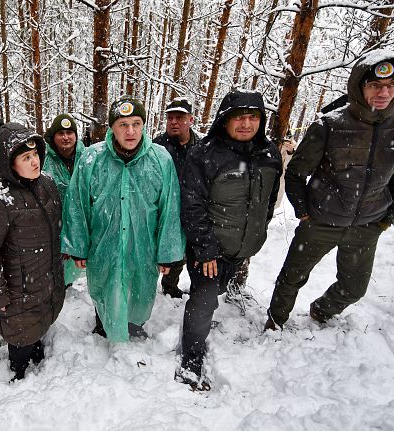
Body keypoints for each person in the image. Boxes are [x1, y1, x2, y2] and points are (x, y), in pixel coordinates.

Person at [265, 50, 394, 330]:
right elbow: (296, 173)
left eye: (391, 85)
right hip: (321, 220)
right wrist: (304, 212)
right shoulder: (330, 124)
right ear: (360, 86)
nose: (383, 92)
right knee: (292, 277)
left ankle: (321, 311)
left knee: (355, 287)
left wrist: (389, 215)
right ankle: (275, 322)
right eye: (374, 85)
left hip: (367, 224)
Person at [176, 89, 282, 390]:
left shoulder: (270, 154)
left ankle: (200, 327)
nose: (246, 124)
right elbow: (191, 205)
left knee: (217, 290)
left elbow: (268, 201)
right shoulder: (205, 154)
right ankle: (191, 358)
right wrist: (206, 249)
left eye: (253, 117)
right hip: (208, 248)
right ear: (225, 120)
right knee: (204, 299)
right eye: (239, 117)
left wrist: (255, 234)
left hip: (240, 247)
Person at [62, 95, 185, 342]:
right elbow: (76, 205)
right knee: (106, 285)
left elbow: (169, 208)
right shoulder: (92, 159)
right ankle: (103, 324)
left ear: (144, 125)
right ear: (112, 128)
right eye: (123, 124)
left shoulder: (161, 160)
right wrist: (78, 247)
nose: (130, 131)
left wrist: (167, 252)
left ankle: (132, 323)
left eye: (136, 124)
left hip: (143, 244)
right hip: (103, 244)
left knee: (140, 290)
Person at [0, 123, 65, 381]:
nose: (35, 161)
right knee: (21, 334)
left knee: (40, 322)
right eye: (26, 158)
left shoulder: (45, 183)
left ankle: (36, 350)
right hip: (18, 286)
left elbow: (55, 226)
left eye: (35, 154)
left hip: (44, 273)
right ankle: (18, 373)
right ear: (9, 163)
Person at [152, 98, 200, 299]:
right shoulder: (156, 147)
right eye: (170, 118)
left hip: (192, 209)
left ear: (191, 120)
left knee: (186, 252)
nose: (173, 122)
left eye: (179, 118)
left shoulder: (201, 147)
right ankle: (153, 287)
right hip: (163, 209)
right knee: (160, 249)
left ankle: (174, 286)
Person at [42, 114, 87, 287]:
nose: (66, 137)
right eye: (61, 133)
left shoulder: (87, 157)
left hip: (80, 217)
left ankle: (66, 281)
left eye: (70, 132)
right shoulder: (44, 157)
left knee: (75, 257)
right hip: (53, 219)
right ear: (53, 136)